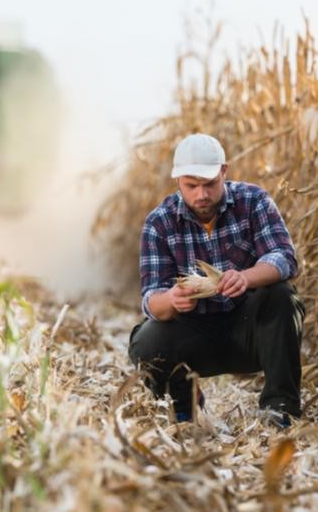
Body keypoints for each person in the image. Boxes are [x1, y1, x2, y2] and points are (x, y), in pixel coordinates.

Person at [128, 133, 306, 428]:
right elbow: (151, 300)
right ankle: (184, 406)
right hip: (195, 334)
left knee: (281, 296)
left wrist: (246, 278)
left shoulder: (253, 201)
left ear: (225, 171)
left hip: (250, 331)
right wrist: (171, 299)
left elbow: (284, 258)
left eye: (210, 184)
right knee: (146, 342)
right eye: (191, 186)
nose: (201, 195)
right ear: (178, 181)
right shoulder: (159, 223)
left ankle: (281, 406)